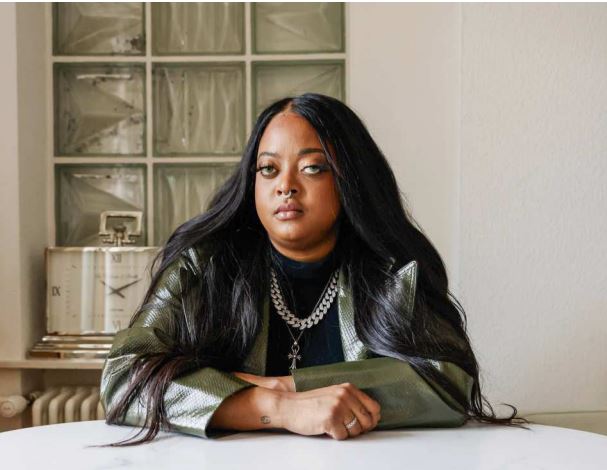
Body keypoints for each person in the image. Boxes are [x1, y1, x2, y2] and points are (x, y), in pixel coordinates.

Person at [100, 93, 526, 445]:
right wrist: (275, 406)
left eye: (312, 168)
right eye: (269, 169)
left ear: (348, 180)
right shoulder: (205, 266)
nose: (285, 186)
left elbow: (449, 382)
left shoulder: (391, 274)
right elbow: (122, 379)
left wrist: (288, 385)